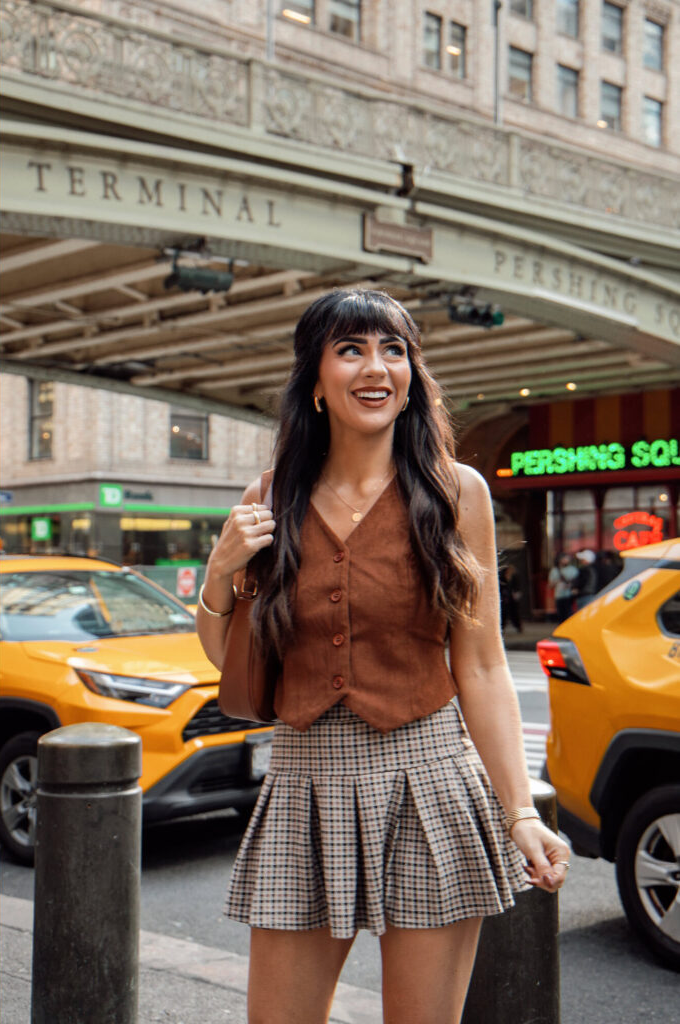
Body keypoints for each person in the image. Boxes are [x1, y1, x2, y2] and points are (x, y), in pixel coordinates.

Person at [197, 289, 570, 1024]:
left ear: (410, 377)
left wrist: (518, 810)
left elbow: (485, 665)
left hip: (428, 780)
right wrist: (220, 572)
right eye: (351, 349)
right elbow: (231, 661)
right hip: (304, 782)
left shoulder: (454, 492)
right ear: (315, 381)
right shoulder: (272, 496)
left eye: (392, 350)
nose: (376, 368)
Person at [548, 552, 578, 623]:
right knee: (561, 615)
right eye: (565, 559)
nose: (566, 560)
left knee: (569, 614)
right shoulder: (554, 570)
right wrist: (556, 582)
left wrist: (571, 585)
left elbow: (577, 582)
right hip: (558, 595)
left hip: (569, 595)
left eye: (567, 559)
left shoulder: (573, 570)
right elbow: (550, 585)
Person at [499, 562, 522, 633]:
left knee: (514, 612)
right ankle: (502, 627)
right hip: (505, 598)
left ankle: (518, 626)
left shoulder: (514, 577)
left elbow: (516, 586)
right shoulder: (502, 578)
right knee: (504, 613)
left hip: (511, 598)